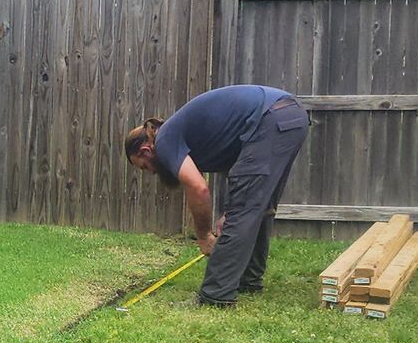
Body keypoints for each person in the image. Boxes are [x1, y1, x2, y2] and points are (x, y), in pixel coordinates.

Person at [124, 84, 309, 305]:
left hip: (269, 119)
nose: (151, 173)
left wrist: (204, 236)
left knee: (245, 211)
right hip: (290, 116)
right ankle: (248, 281)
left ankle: (215, 295)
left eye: (144, 167)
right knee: (257, 206)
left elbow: (198, 187)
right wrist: (229, 212)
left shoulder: (164, 141)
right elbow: (239, 173)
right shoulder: (189, 136)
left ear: (145, 151)